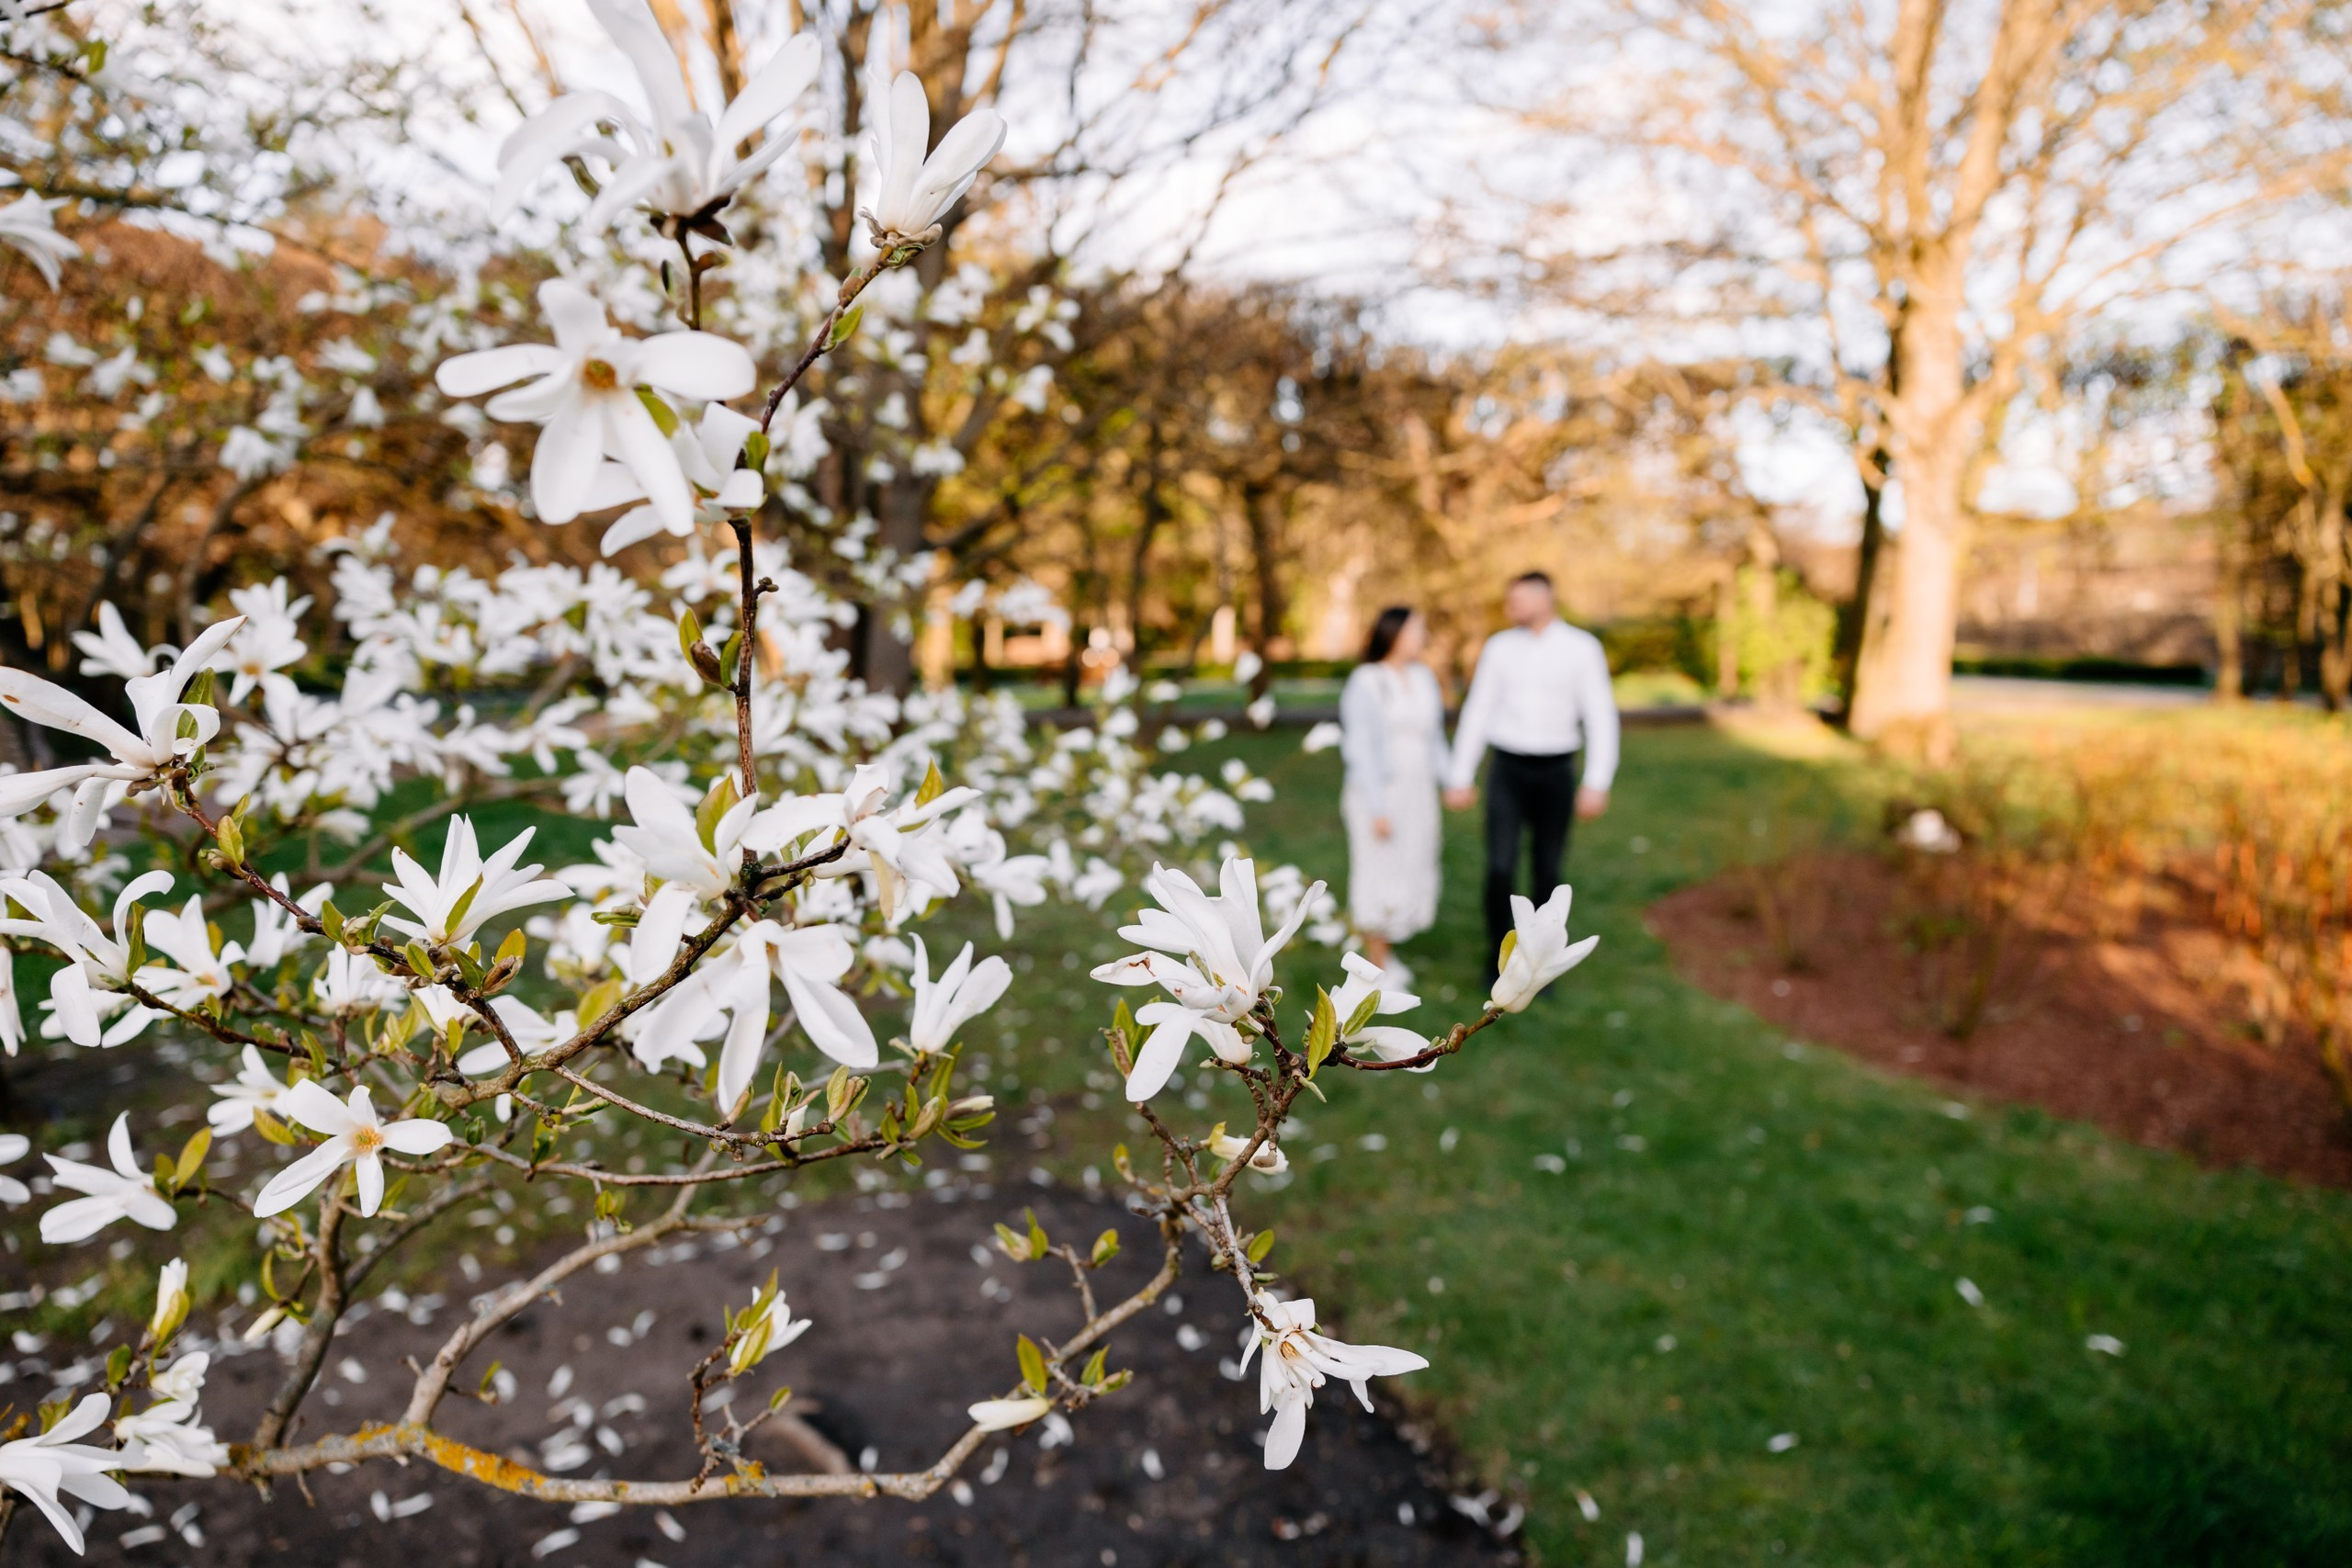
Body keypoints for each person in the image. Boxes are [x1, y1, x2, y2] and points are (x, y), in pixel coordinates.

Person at [1442, 571, 1618, 976]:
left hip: (1557, 770)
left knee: (1548, 871)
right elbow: (1479, 711)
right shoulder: (1500, 647)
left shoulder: (1582, 648)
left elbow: (1600, 716)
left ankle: (1538, 965)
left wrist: (1597, 781)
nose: (1510, 608)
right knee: (1500, 866)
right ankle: (1498, 958)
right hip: (1508, 769)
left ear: (1544, 598)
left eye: (1517, 600)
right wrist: (1459, 775)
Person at [1339, 606, 1450, 983]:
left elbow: (1433, 737)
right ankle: (1376, 960)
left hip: (1418, 793)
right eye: (1417, 629)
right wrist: (1376, 806)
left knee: (1411, 863)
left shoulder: (1423, 677)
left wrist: (1451, 780)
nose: (1423, 636)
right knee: (1378, 869)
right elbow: (1359, 747)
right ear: (1395, 634)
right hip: (1381, 792)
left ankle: (1389, 951)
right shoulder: (1367, 680)